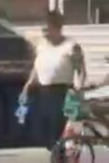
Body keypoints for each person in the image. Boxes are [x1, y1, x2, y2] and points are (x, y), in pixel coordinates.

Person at [22, 11, 86, 150]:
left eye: (47, 27)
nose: (44, 31)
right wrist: (28, 84)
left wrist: (78, 90)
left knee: (59, 129)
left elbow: (80, 70)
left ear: (57, 27)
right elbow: (36, 67)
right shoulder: (41, 46)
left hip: (62, 91)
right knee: (45, 129)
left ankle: (60, 157)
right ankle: (55, 152)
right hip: (44, 91)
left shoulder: (71, 46)